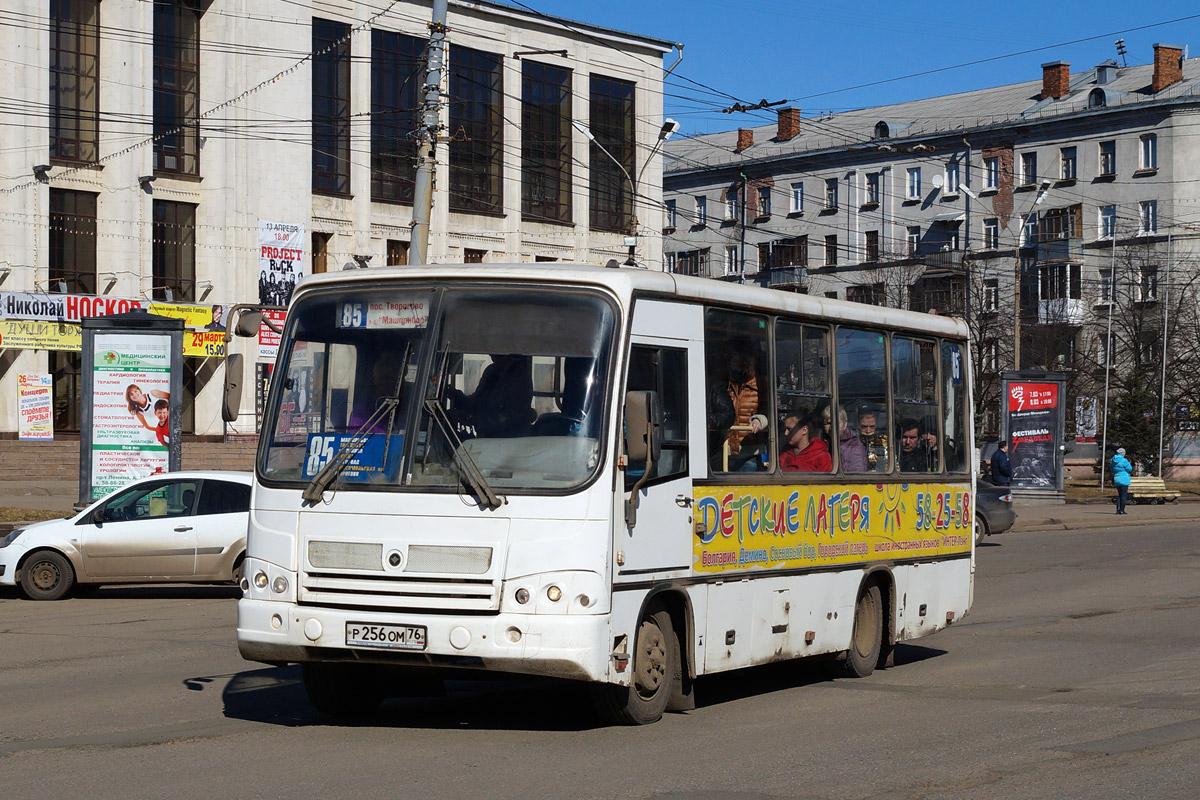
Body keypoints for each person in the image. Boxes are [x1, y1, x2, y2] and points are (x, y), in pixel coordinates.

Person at [706, 342, 766, 470]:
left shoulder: (761, 385)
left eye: (734, 356)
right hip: (724, 449)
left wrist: (760, 420)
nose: (732, 361)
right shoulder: (724, 383)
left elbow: (769, 411)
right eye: (729, 357)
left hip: (749, 451)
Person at [448, 354, 534, 438]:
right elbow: (477, 401)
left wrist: (475, 420)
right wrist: (458, 398)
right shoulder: (491, 371)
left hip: (510, 442)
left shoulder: (519, 376)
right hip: (486, 440)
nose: (491, 355)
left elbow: (512, 416)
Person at [824, 406, 868, 472]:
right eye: (827, 423)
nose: (831, 427)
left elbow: (857, 474)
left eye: (836, 423)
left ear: (844, 425)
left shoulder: (854, 446)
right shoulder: (824, 442)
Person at [1111, 446, 1133, 515]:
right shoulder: (1124, 460)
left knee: (1119, 495)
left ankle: (1118, 510)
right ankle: (1122, 510)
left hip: (1117, 478)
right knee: (1123, 495)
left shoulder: (1112, 460)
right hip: (1124, 478)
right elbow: (1129, 469)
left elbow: (1112, 469)